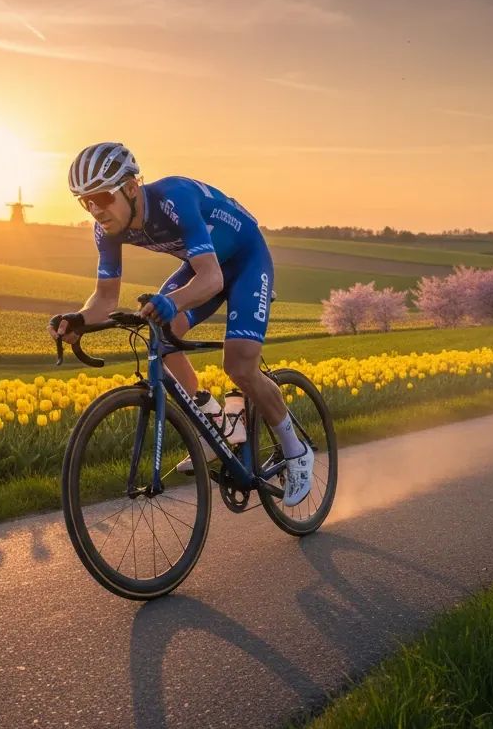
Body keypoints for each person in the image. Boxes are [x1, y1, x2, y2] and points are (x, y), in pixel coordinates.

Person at [47, 142, 313, 506]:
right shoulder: (106, 230)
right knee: (163, 334)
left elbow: (212, 280)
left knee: (238, 365)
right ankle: (217, 421)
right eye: (84, 201)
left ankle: (296, 452)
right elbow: (105, 299)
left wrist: (170, 301)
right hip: (204, 265)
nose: (95, 210)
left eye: (102, 197)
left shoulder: (174, 197)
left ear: (130, 187)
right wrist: (78, 319)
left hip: (246, 259)